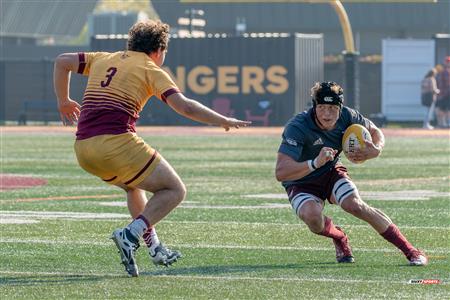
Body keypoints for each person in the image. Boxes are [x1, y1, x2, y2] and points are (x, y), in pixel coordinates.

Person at [53, 20, 251, 277]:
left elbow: (61, 60)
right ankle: (130, 234)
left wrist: (63, 101)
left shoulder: (103, 58)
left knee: (132, 186)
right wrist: (222, 119)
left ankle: (154, 246)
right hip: (115, 144)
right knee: (174, 190)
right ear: (159, 50)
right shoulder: (150, 68)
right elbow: (185, 107)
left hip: (83, 149)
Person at [275, 81, 427, 266]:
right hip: (300, 181)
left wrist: (376, 149)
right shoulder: (298, 126)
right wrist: (315, 163)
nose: (326, 113)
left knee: (355, 205)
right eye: (321, 107)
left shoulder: (349, 116)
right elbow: (282, 172)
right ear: (314, 107)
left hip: (330, 172)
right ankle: (339, 237)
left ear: (340, 107)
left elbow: (375, 131)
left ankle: (411, 251)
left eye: (332, 108)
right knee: (313, 219)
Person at [436, 56, 450, 128]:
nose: (448, 63)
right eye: (447, 61)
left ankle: (447, 123)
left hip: (447, 93)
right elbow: (441, 83)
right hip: (444, 93)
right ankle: (443, 123)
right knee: (442, 109)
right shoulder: (443, 71)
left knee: (447, 109)